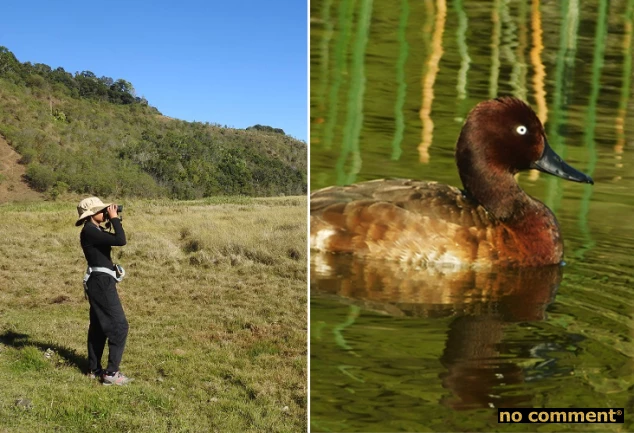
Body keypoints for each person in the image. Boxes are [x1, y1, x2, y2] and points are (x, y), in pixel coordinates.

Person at [76, 196, 132, 386]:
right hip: (100, 284)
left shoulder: (94, 230)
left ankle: (94, 369)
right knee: (120, 326)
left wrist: (111, 219)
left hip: (99, 281)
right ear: (91, 214)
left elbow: (113, 240)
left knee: (99, 327)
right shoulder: (90, 231)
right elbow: (121, 239)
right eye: (102, 210)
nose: (105, 212)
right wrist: (115, 218)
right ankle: (111, 373)